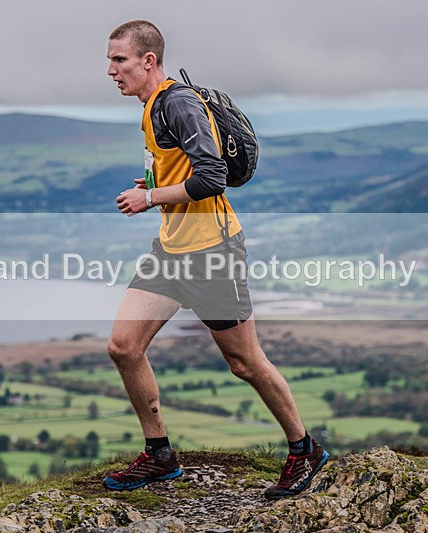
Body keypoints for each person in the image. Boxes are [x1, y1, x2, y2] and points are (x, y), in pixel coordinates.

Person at [103, 20, 328, 500]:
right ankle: (160, 455)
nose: (111, 70)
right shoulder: (151, 107)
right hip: (171, 252)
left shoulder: (177, 103)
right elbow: (182, 169)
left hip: (212, 253)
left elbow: (212, 178)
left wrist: (149, 198)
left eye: (119, 60)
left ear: (148, 60)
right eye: (110, 61)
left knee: (244, 362)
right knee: (123, 346)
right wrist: (154, 185)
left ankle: (304, 449)